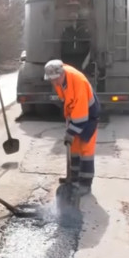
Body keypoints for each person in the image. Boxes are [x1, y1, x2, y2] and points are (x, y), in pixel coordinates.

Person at [44, 59, 101, 196]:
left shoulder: (78, 82)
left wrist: (71, 131)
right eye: (52, 80)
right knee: (74, 148)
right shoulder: (60, 80)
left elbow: (81, 114)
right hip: (76, 115)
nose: (54, 83)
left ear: (62, 74)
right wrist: (69, 123)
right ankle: (73, 179)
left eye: (55, 79)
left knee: (85, 150)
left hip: (89, 115)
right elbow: (68, 102)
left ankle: (85, 184)